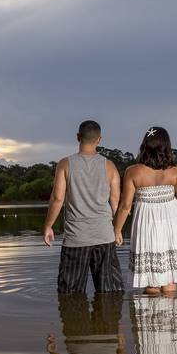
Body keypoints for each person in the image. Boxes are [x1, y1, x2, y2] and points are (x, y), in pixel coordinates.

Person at [113, 126, 177, 296]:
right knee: (170, 278)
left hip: (147, 225)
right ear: (166, 145)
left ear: (145, 145)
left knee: (151, 279)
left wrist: (117, 230)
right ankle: (172, 317)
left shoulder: (133, 172)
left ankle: (152, 319)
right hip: (172, 224)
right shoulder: (175, 171)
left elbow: (125, 206)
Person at [43, 120, 124, 294]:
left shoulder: (65, 164)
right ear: (99, 139)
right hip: (104, 237)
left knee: (70, 296)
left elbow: (58, 199)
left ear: (78, 137)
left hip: (75, 239)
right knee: (110, 295)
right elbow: (116, 202)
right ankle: (106, 321)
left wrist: (48, 226)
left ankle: (74, 321)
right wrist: (117, 230)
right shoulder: (110, 166)